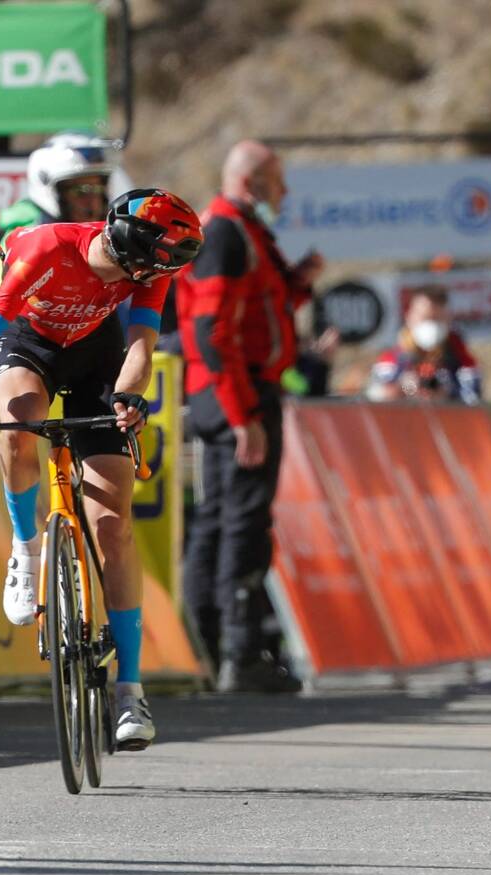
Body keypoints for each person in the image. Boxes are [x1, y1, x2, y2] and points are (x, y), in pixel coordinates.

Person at [0, 188, 204, 750]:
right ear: (138, 248)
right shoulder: (45, 249)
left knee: (113, 523)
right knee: (21, 418)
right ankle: (26, 548)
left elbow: (139, 347)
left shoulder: (150, 271)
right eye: (159, 262)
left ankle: (129, 691)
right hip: (28, 345)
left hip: (96, 357)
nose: (160, 273)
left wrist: (129, 397)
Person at [175, 139, 324, 694]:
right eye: (278, 184)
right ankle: (236, 650)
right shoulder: (224, 233)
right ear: (252, 183)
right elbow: (211, 332)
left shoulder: (246, 232)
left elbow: (263, 309)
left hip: (238, 391)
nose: (284, 196)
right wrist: (243, 417)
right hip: (234, 395)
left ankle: (220, 649)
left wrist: (300, 281)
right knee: (240, 520)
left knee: (226, 518)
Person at [0, 132, 117, 344]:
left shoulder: (103, 241)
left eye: (98, 189)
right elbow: (8, 307)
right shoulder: (30, 238)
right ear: (51, 190)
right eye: (80, 191)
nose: (93, 202)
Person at [366, 285, 483, 405]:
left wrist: (447, 393)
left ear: (448, 319)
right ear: (410, 317)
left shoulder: (461, 359)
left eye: (436, 319)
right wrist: (407, 388)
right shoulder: (393, 359)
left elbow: (473, 398)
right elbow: (376, 397)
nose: (431, 325)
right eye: (425, 318)